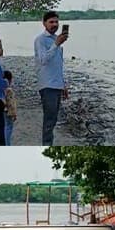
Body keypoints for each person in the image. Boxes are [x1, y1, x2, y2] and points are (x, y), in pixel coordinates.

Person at [34, 10, 69, 145]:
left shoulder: (56, 39)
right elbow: (43, 60)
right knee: (49, 120)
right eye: (51, 22)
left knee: (53, 119)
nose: (54, 24)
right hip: (47, 85)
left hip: (56, 85)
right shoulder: (40, 40)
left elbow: (57, 65)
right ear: (44, 23)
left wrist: (63, 85)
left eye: (56, 22)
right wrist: (56, 44)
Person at [3, 70, 17, 143]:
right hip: (8, 111)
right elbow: (11, 103)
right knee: (8, 127)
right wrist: (14, 114)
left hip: (0, 110)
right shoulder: (9, 90)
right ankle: (7, 144)